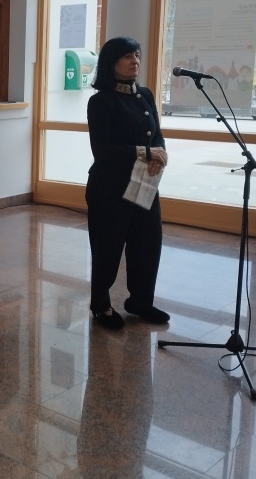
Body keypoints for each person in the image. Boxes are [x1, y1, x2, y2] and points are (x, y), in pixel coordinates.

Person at [85, 36, 170, 330]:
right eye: (127, 56)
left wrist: (160, 153)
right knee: (108, 247)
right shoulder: (100, 101)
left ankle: (141, 301)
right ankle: (101, 305)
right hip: (109, 187)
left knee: (147, 243)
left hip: (144, 183)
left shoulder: (144, 94)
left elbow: (156, 134)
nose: (135, 61)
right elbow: (102, 150)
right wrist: (146, 152)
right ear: (111, 63)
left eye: (137, 55)